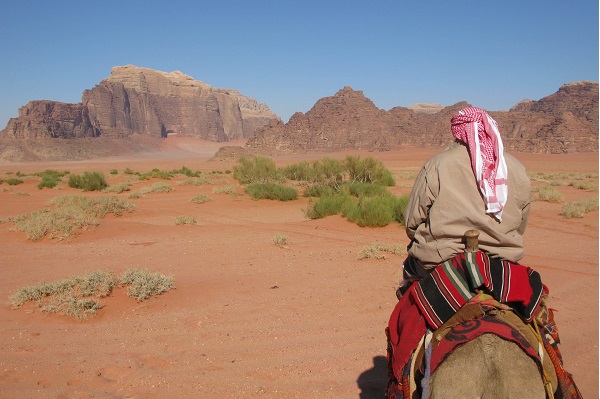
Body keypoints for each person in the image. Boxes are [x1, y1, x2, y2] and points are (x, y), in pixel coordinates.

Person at [399, 106, 532, 294]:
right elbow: (521, 223)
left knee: (409, 277)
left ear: (457, 131)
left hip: (440, 260)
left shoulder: (437, 164)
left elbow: (412, 222)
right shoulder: (514, 167)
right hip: (501, 262)